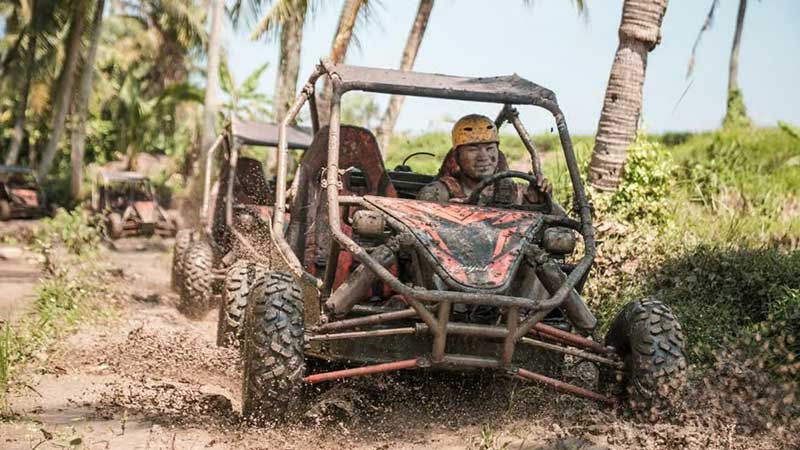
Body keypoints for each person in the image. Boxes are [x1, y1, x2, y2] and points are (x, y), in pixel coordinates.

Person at [416, 114, 551, 205]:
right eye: (473, 149)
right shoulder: (437, 194)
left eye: (490, 148)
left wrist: (538, 202)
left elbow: (560, 225)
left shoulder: (517, 193)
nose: (483, 157)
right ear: (457, 156)